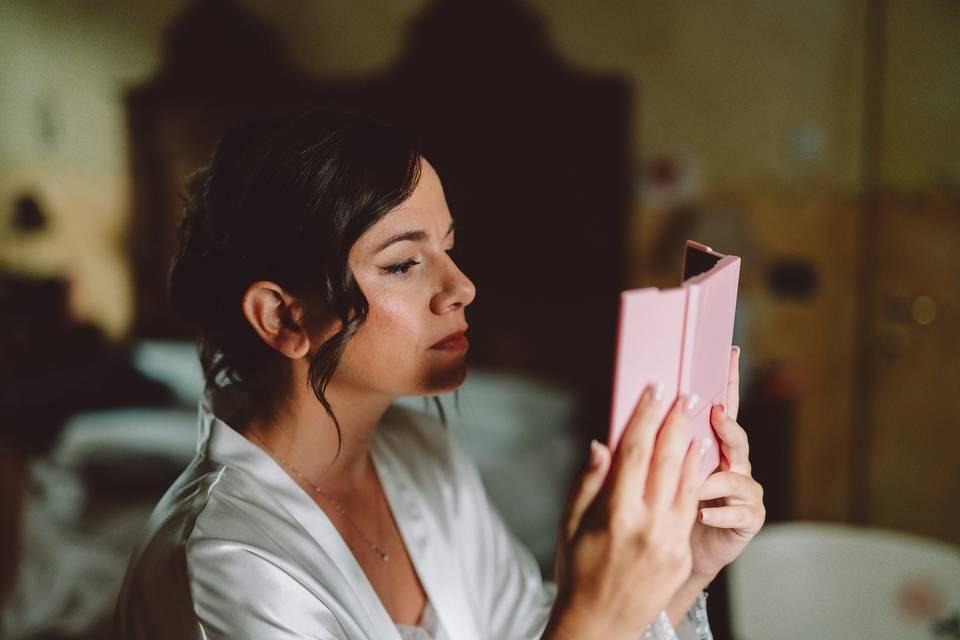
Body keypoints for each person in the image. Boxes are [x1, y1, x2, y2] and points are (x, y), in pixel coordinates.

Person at [113, 107, 765, 640]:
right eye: (403, 264)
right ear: (283, 318)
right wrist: (591, 617)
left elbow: (529, 630)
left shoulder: (421, 456)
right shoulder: (225, 566)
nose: (463, 287)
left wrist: (686, 567)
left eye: (447, 248)